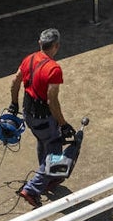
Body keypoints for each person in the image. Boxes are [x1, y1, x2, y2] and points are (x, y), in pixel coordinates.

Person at [9, 28, 73, 207]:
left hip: (29, 114)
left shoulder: (28, 59)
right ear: (56, 46)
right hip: (44, 116)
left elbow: (15, 82)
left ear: (40, 43)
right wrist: (63, 124)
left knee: (42, 141)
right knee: (54, 153)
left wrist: (14, 104)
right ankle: (32, 189)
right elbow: (52, 100)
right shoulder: (54, 69)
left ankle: (49, 177)